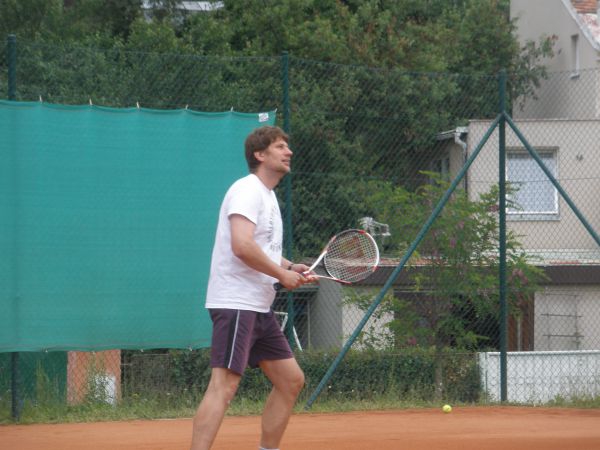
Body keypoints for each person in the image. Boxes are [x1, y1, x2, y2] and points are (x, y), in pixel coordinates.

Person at [190, 125, 315, 450]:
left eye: (287, 146)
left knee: (290, 380)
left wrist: (289, 267)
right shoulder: (247, 190)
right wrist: (281, 274)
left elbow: (261, 247)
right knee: (224, 386)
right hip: (236, 303)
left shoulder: (267, 196)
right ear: (259, 154)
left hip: (258, 306)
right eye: (280, 146)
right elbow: (241, 245)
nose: (288, 152)